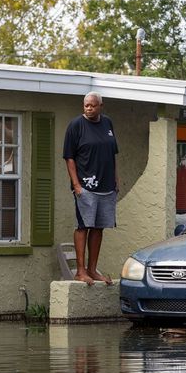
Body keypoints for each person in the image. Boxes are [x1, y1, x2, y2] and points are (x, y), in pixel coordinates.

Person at [62, 91, 118, 285]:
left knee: (98, 227)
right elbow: (69, 157)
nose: (89, 108)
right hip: (86, 186)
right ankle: (81, 271)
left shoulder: (107, 123)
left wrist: (116, 180)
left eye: (93, 105)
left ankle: (93, 269)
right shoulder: (76, 125)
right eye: (86, 105)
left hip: (107, 186)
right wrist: (76, 185)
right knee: (83, 225)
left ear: (100, 106)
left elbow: (112, 155)